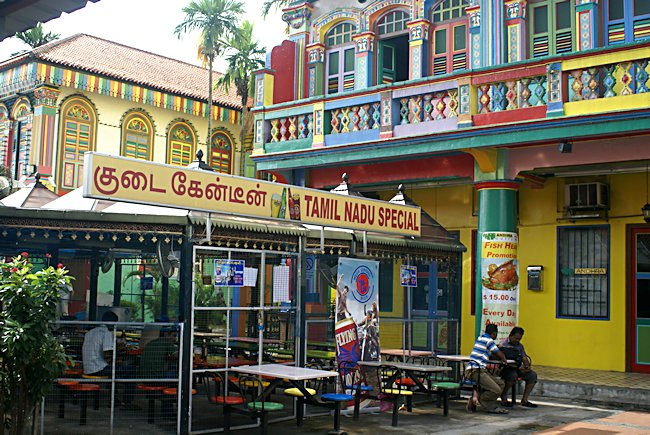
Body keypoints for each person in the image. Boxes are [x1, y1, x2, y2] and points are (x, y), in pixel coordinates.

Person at [82, 310, 135, 406]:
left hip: (87, 368)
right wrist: (116, 356)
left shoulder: (90, 332)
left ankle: (114, 400)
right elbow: (107, 354)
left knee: (116, 372)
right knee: (131, 371)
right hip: (98, 368)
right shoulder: (106, 333)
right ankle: (127, 402)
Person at [465, 323, 508, 414]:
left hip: (479, 370)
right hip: (476, 371)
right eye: (496, 334)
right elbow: (498, 352)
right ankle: (485, 403)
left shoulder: (480, 338)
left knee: (501, 384)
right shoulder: (488, 340)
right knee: (496, 390)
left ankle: (476, 399)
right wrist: (504, 359)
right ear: (493, 333)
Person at [499, 326, 538, 408]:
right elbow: (502, 361)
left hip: (518, 368)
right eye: (516, 338)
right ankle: (504, 395)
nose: (517, 341)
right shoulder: (503, 345)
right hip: (506, 369)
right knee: (513, 376)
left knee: (532, 375)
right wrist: (516, 368)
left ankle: (524, 399)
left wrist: (527, 366)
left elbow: (524, 357)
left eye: (519, 339)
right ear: (510, 336)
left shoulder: (520, 346)